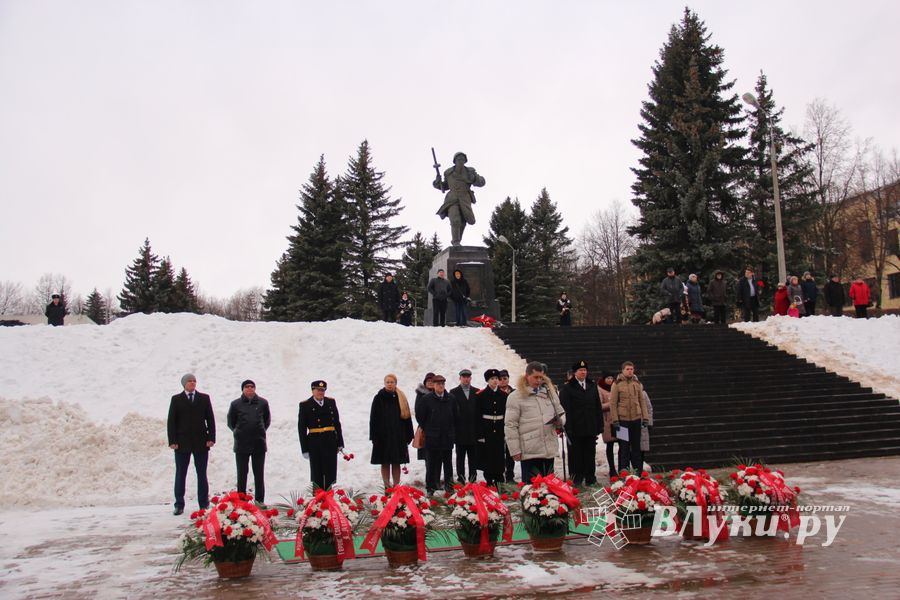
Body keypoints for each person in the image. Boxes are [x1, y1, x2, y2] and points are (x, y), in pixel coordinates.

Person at [504, 362, 566, 482]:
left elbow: (561, 412)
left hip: (549, 447)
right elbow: (511, 425)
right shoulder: (515, 397)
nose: (539, 380)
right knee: (532, 491)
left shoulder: (549, 392)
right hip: (530, 450)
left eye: (541, 377)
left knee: (550, 489)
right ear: (527, 376)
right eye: (535, 377)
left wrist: (560, 421)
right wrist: (515, 450)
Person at [167, 373, 215, 515]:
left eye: (194, 381)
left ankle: (204, 503)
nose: (193, 383)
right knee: (181, 474)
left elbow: (210, 419)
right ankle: (179, 504)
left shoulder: (204, 398)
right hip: (182, 443)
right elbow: (171, 422)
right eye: (190, 381)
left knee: (202, 474)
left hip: (201, 442)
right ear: (184, 384)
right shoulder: (176, 399)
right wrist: (173, 441)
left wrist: (211, 437)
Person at [227, 380, 271, 504]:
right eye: (247, 387)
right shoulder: (235, 404)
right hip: (241, 444)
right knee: (242, 473)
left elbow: (266, 420)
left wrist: (260, 431)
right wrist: (239, 432)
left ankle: (260, 500)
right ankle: (241, 501)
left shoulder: (263, 403)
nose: (250, 389)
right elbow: (231, 422)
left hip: (259, 443)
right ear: (243, 389)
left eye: (252, 387)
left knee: (259, 473)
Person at [558, 360, 601, 486]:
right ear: (575, 373)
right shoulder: (568, 388)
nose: (583, 372)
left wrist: (599, 424)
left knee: (589, 453)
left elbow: (597, 406)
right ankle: (576, 478)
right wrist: (567, 427)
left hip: (590, 426)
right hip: (575, 428)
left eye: (585, 370)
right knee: (576, 454)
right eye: (580, 370)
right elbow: (565, 409)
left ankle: (590, 477)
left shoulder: (592, 385)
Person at [298, 380, 345, 491]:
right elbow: (301, 428)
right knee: (317, 471)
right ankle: (318, 500)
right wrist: (304, 449)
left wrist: (340, 442)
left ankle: (330, 496)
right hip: (315, 441)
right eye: (318, 390)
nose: (320, 392)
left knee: (330, 470)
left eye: (323, 390)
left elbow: (337, 424)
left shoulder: (331, 402)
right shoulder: (305, 405)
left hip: (330, 440)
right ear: (312, 390)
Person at [369, 374, 413, 489]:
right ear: (384, 383)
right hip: (382, 437)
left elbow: (407, 417)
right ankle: (387, 487)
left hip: (398, 436)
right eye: (387, 382)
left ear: (395, 383)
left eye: (392, 382)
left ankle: (396, 487)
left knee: (396, 462)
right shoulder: (378, 398)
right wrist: (374, 436)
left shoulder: (401, 397)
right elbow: (373, 418)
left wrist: (409, 435)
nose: (389, 384)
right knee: (385, 462)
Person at [433, 151, 486, 246]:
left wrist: (474, 178)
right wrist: (437, 182)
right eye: (458, 159)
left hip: (465, 199)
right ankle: (456, 241)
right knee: (455, 220)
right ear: (455, 161)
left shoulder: (470, 171)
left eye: (462, 159)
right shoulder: (448, 173)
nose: (460, 161)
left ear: (465, 161)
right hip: (452, 200)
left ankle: (457, 241)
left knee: (463, 222)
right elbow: (445, 186)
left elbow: (481, 182)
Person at [417, 375, 458, 495]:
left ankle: (449, 487)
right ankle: (430, 488)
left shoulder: (451, 398)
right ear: (433, 385)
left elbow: (456, 416)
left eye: (442, 384)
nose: (440, 386)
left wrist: (451, 430)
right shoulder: (426, 399)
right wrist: (428, 429)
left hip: (447, 437)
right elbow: (420, 416)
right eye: (438, 384)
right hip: (432, 437)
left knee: (448, 464)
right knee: (431, 464)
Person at [609, 362, 649, 474]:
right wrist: (615, 420)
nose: (630, 371)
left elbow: (642, 401)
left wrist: (645, 417)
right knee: (624, 447)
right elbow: (613, 403)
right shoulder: (617, 384)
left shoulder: (637, 383)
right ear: (622, 370)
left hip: (636, 419)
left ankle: (638, 472)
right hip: (622, 420)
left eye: (632, 369)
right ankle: (623, 471)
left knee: (636, 447)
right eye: (627, 369)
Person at [475, 369, 508, 486]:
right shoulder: (481, 395)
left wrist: (506, 432)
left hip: (499, 429)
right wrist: (480, 434)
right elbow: (477, 416)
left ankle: (499, 480)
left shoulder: (504, 395)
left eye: (496, 379)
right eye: (492, 379)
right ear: (487, 381)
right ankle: (489, 480)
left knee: (499, 454)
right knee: (488, 455)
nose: (495, 381)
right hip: (487, 429)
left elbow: (506, 415)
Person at [450, 369, 480, 483]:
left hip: (473, 431)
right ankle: (461, 479)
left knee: (473, 458)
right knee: (460, 458)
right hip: (460, 432)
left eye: (468, 376)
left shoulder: (477, 392)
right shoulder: (453, 392)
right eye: (464, 376)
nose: (466, 379)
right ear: (460, 378)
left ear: (471, 378)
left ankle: (473, 480)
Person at [597, 371, 617, 481]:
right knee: (610, 445)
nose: (610, 380)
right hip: (608, 422)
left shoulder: (616, 387)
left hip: (618, 421)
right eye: (608, 378)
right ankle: (612, 469)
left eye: (611, 378)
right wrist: (612, 403)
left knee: (622, 445)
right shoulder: (600, 389)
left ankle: (622, 468)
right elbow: (599, 405)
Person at [498, 369, 517, 482]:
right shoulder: (496, 392)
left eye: (505, 378)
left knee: (511, 452)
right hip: (499, 425)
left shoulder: (514, 393)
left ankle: (510, 476)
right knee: (500, 452)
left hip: (512, 425)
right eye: (500, 379)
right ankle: (500, 475)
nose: (503, 381)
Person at [414, 373, 436, 462]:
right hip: (425, 430)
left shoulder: (440, 393)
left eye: (432, 381)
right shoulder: (421, 395)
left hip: (439, 430)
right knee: (428, 456)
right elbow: (418, 412)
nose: (430, 383)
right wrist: (425, 426)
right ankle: (430, 475)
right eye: (428, 381)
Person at [639, 390, 654, 466]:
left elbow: (649, 408)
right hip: (628, 422)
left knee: (642, 449)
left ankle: (639, 469)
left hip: (642, 423)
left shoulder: (643, 393)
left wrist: (649, 422)